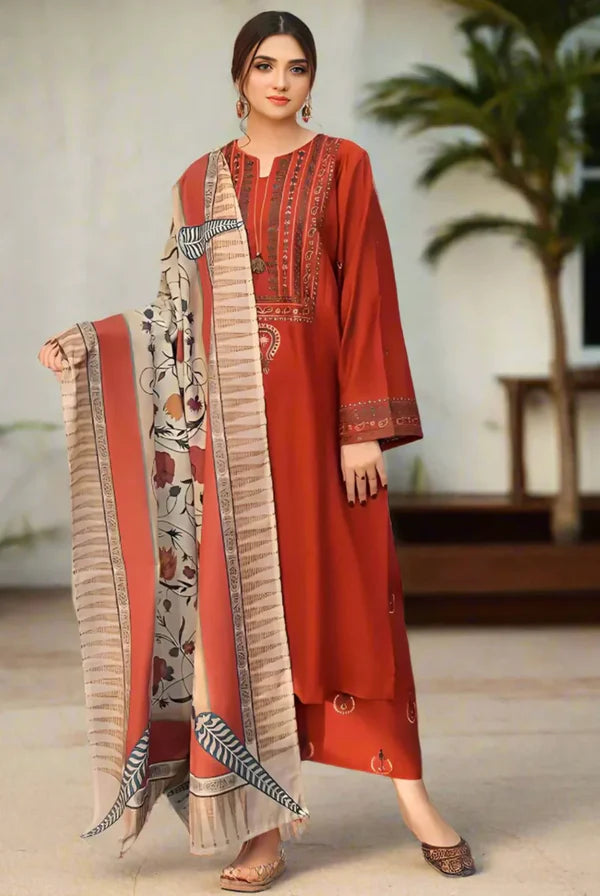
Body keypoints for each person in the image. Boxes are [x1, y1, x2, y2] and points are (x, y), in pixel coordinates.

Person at [38, 9, 476, 892]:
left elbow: (370, 302)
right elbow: (173, 316)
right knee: (235, 620)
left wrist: (365, 429)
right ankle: (260, 828)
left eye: (299, 67)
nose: (282, 81)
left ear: (313, 80)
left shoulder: (344, 167)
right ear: (239, 75)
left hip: (325, 431)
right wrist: (91, 345)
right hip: (230, 445)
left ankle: (415, 798)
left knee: (357, 611)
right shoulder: (199, 184)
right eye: (265, 65)